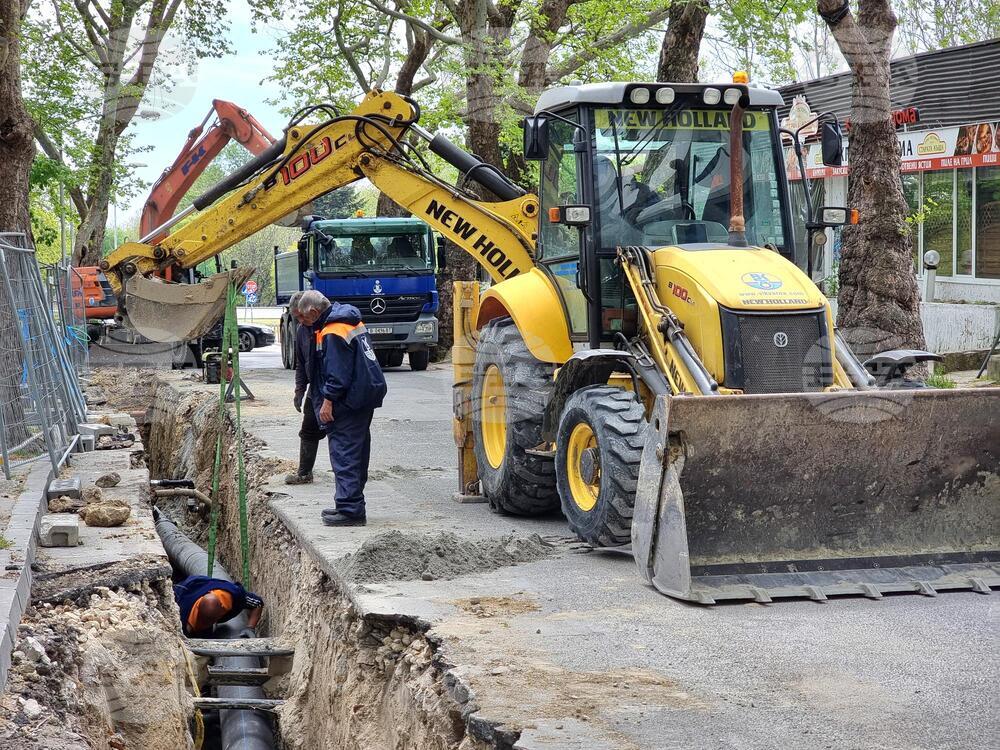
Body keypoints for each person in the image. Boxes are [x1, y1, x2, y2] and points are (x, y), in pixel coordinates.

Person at [295, 290, 387, 526]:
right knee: (357, 451)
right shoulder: (349, 321)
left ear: (314, 312)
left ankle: (350, 510)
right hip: (364, 396)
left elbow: (337, 374)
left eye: (304, 319)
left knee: (344, 452)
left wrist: (327, 400)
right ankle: (352, 503)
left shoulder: (332, 330)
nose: (303, 324)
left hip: (347, 400)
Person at [285, 291, 326, 485]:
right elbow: (301, 363)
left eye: (302, 315)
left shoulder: (326, 328)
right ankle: (304, 473)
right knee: (308, 429)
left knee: (340, 433)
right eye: (297, 317)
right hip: (315, 388)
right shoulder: (302, 330)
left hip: (332, 387)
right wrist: (299, 390)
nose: (301, 320)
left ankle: (350, 476)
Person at [173, 575, 264, 637]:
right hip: (190, 586)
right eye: (205, 621)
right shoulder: (181, 610)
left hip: (207, 585)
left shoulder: (233, 595)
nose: (208, 623)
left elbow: (258, 603)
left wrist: (250, 628)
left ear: (221, 610)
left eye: (212, 621)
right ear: (198, 609)